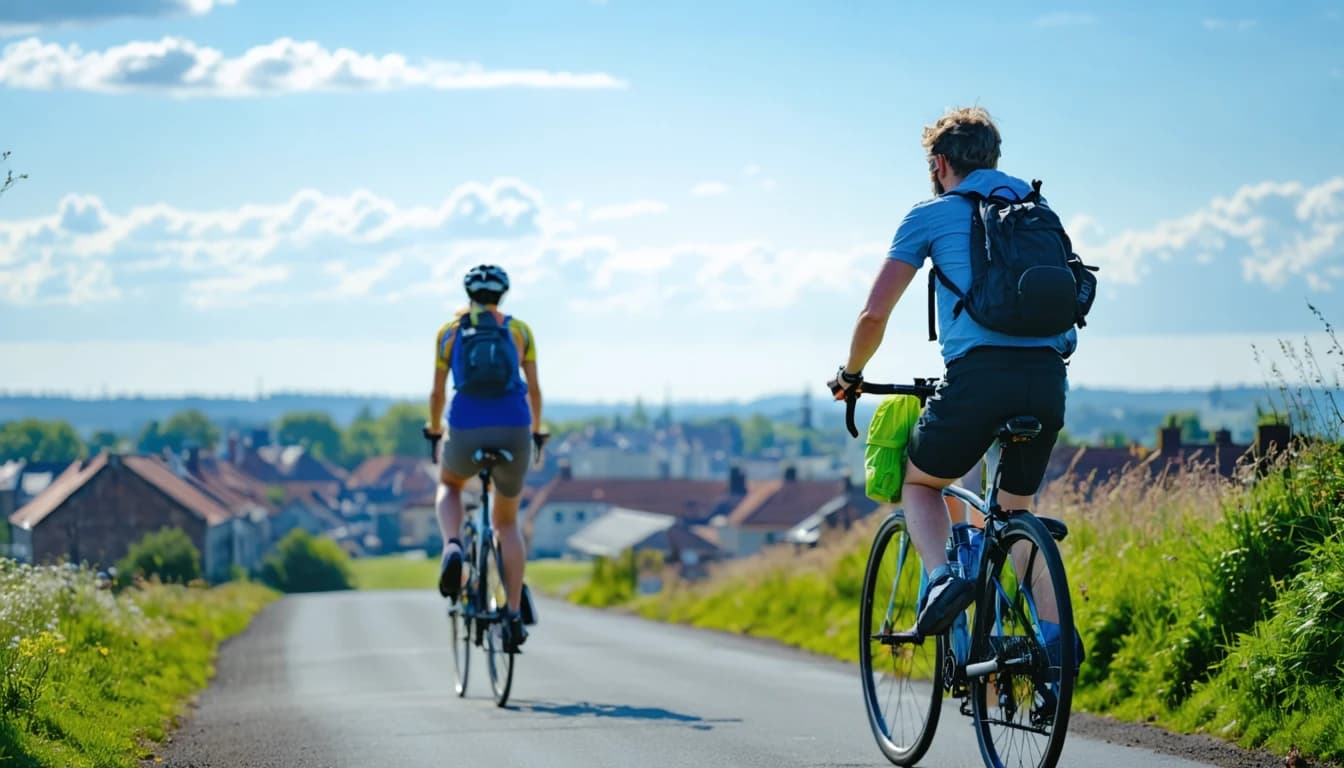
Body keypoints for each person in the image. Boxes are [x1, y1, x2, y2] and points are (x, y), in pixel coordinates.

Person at [832, 106, 1076, 637]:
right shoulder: (1037, 208)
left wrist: (851, 373)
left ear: (940, 164)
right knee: (1015, 516)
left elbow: (874, 314)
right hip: (1046, 379)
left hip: (977, 379)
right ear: (992, 158)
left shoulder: (930, 214)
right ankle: (1058, 648)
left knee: (920, 483)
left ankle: (943, 580)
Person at [424, 264, 546, 652]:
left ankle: (454, 546)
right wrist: (538, 431)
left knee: (449, 483)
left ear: (468, 294)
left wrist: (435, 430)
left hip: (465, 425)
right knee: (507, 525)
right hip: (514, 426)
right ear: (503, 295)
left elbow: (437, 395)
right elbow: (536, 391)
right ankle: (511, 614)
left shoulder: (449, 333)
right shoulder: (520, 331)